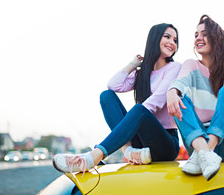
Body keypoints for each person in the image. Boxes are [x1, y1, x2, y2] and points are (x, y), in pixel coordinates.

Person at [53, 23, 182, 174]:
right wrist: (133, 64)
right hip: (140, 144)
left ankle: (91, 158)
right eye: (167, 37)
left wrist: (132, 120)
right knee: (106, 96)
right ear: (154, 38)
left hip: (164, 143)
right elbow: (113, 85)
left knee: (139, 110)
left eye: (175, 40)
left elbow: (158, 100)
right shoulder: (142, 73)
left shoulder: (174, 68)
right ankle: (128, 151)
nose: (172, 43)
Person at [166, 15, 224, 181]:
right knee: (180, 99)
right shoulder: (191, 64)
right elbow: (180, 82)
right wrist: (171, 92)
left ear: (215, 38)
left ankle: (205, 153)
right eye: (196, 35)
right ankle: (205, 153)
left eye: (204, 34)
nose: (198, 38)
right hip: (197, 139)